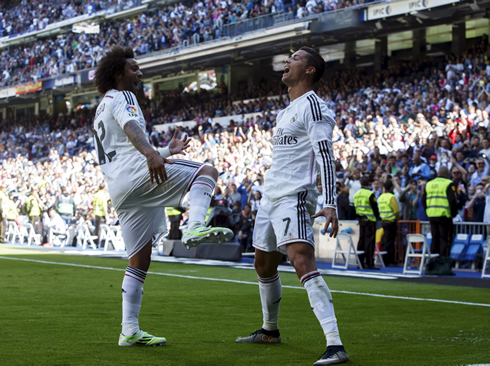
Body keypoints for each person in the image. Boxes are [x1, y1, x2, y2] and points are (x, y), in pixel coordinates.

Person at [93, 46, 233, 347]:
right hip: (137, 176)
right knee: (206, 171)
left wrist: (165, 151)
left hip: (120, 190)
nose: (139, 73)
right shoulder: (124, 97)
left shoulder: (100, 108)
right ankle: (194, 225)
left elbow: (121, 146)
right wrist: (152, 153)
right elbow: (131, 129)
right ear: (118, 73)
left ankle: (128, 330)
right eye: (134, 68)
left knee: (139, 260)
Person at [236, 47, 349, 366]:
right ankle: (269, 330)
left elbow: (326, 155)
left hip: (295, 195)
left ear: (310, 70)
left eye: (295, 59)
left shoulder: (314, 107)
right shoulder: (286, 110)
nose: (287, 62)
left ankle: (335, 344)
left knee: (301, 260)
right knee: (263, 264)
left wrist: (329, 202)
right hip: (271, 197)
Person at [422, 166, 458, 257]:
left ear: (438, 173)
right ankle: (443, 263)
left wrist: (428, 211)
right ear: (447, 174)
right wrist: (453, 214)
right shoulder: (449, 183)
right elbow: (452, 200)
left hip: (432, 216)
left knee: (435, 239)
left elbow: (423, 200)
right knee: (445, 240)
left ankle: (433, 262)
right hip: (444, 216)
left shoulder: (429, 183)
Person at [354, 176, 380, 269]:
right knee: (369, 241)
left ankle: (360, 262)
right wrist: (376, 217)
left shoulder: (356, 194)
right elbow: (375, 208)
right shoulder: (370, 194)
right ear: (369, 183)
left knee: (361, 240)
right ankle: (369, 262)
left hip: (361, 220)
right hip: (370, 220)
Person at [377, 180, 399, 266]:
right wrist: (396, 218)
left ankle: (385, 260)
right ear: (391, 187)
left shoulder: (381, 197)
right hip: (391, 222)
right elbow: (396, 211)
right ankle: (388, 261)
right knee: (390, 242)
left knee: (386, 241)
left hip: (383, 221)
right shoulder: (391, 197)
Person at [92, 183, 108, 248]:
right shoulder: (103, 196)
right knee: (100, 230)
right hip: (101, 214)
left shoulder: (96, 195)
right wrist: (106, 214)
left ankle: (95, 242)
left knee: (96, 228)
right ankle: (99, 243)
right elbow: (103, 206)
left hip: (96, 213)